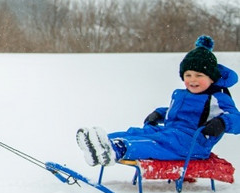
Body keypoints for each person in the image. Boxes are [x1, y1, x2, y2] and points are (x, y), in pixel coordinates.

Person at [77, 35, 239, 167]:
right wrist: (159, 114)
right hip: (172, 133)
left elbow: (236, 119)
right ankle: (102, 143)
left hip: (193, 144)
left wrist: (223, 123)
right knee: (142, 132)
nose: (192, 80)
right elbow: (174, 112)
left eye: (199, 76)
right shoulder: (181, 94)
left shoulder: (218, 98)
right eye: (188, 75)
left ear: (211, 78)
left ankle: (116, 149)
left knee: (156, 143)